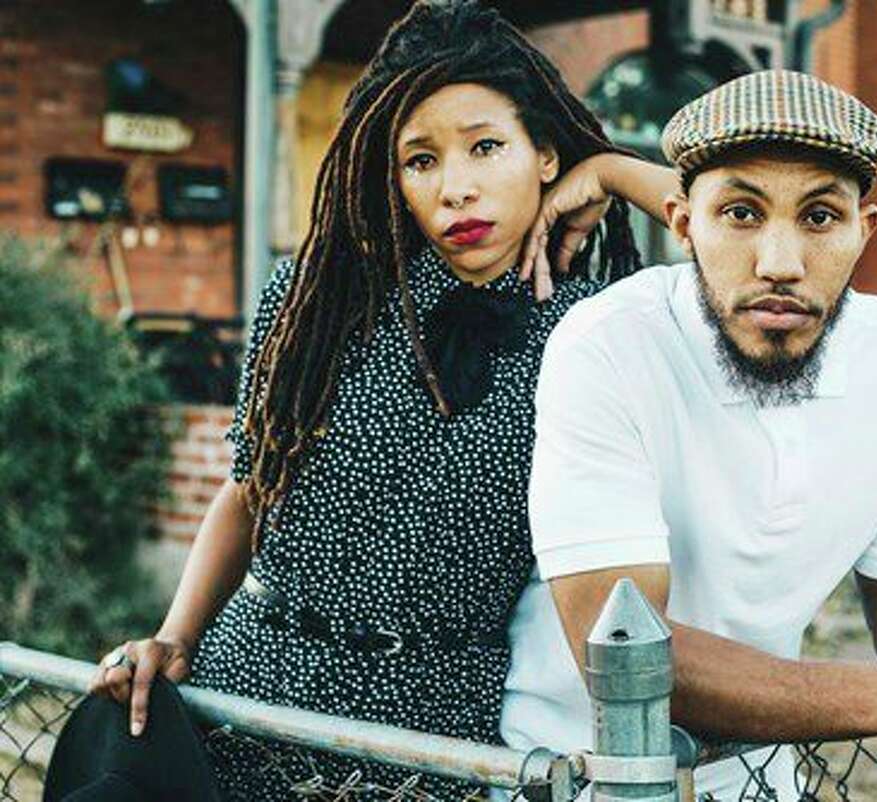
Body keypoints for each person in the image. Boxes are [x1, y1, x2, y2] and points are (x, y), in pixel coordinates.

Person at [86, 3, 646, 799]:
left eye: (487, 146)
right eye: (420, 161)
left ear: (546, 154)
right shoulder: (317, 305)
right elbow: (249, 490)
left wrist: (618, 172)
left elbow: (751, 264)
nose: (456, 188)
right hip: (256, 700)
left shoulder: (594, 333)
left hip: (438, 728)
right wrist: (176, 636)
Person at [499, 70, 877, 800]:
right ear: (684, 225)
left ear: (863, 229)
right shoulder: (609, 344)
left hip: (756, 776)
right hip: (578, 776)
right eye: (741, 214)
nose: (780, 264)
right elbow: (621, 654)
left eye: (818, 218)